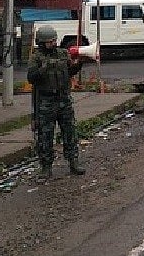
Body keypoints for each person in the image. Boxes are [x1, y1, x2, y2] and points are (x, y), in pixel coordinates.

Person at [27, 25, 85, 180]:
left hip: (63, 99)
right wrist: (44, 68)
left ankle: (73, 161)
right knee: (45, 135)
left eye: (54, 40)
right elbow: (31, 78)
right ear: (41, 42)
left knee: (70, 132)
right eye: (49, 41)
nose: (53, 43)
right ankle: (46, 167)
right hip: (46, 101)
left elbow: (70, 71)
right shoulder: (36, 57)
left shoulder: (63, 53)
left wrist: (78, 64)